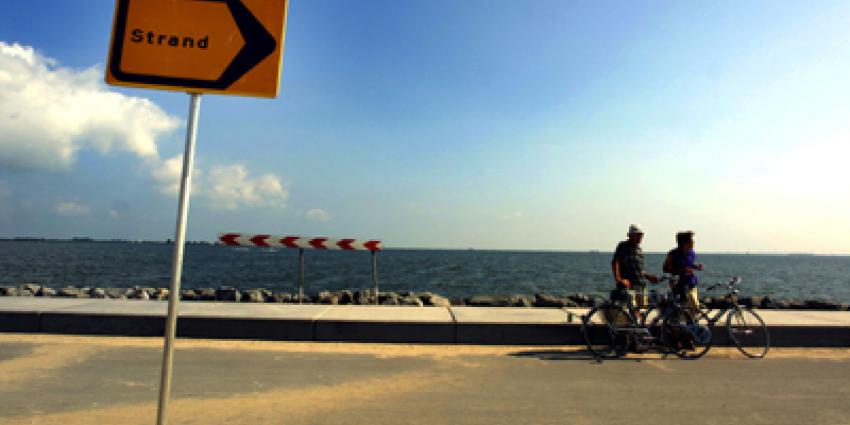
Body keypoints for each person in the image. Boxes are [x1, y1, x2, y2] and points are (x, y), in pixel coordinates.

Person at [611, 224, 660, 311]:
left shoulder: (639, 250)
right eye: (638, 235)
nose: (640, 237)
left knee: (641, 310)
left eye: (641, 235)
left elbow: (640, 270)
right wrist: (619, 279)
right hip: (629, 285)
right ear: (630, 236)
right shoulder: (622, 246)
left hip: (641, 285)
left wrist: (649, 277)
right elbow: (616, 262)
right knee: (631, 311)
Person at [663, 231, 704, 310]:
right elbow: (665, 269)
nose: (693, 242)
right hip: (678, 284)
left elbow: (689, 264)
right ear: (685, 242)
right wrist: (681, 271)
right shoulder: (672, 254)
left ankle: (692, 321)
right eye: (691, 240)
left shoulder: (692, 253)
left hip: (691, 283)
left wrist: (696, 266)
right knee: (681, 308)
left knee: (694, 306)